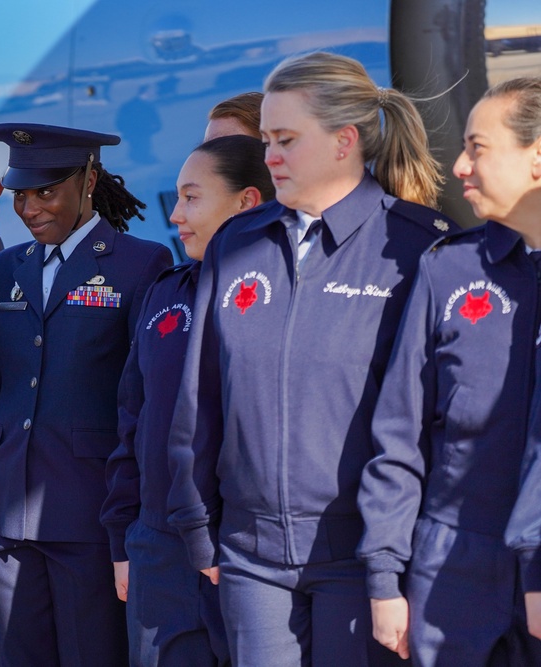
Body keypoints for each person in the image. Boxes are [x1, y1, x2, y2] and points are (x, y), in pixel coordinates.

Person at [167, 51, 453, 666]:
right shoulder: (239, 242)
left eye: (286, 140)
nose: (268, 156)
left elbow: (427, 425)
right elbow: (201, 395)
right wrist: (199, 529)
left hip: (364, 563)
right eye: (267, 139)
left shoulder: (418, 249)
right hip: (248, 559)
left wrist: (394, 562)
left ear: (344, 141)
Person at [0, 123, 173, 666]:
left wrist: (130, 516)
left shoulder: (140, 263)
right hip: (1, 517)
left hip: (87, 512)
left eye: (45, 191)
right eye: (20, 193)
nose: (29, 208)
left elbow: (146, 399)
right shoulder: (0, 268)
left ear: (88, 180)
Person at [357, 76, 541, 666]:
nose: (460, 165)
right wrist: (386, 573)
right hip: (453, 570)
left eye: (478, 148)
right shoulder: (449, 270)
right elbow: (399, 431)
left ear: (537, 157)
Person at [101, 134, 274, 666]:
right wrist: (125, 539)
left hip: (248, 550)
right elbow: (134, 419)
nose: (175, 214)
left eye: (192, 198)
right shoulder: (166, 292)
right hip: (159, 547)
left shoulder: (278, 294)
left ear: (247, 201)